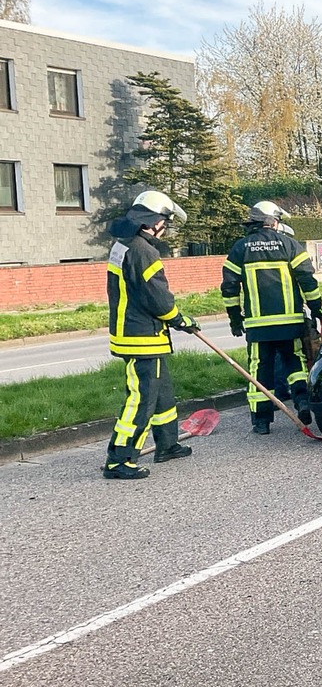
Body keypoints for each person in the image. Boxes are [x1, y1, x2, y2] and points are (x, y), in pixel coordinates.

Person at [102, 190, 198, 480]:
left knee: (162, 394)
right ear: (152, 221)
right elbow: (158, 298)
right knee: (141, 399)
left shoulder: (124, 245)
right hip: (141, 337)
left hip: (137, 334)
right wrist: (180, 320)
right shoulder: (144, 251)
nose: (164, 228)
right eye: (164, 222)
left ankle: (167, 444)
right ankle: (119, 458)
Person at [222, 201, 322, 434]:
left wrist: (235, 317)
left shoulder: (241, 248)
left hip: (258, 326)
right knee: (295, 363)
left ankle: (261, 421)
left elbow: (229, 286)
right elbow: (308, 281)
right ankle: (302, 402)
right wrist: (317, 309)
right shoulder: (290, 245)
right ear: (273, 221)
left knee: (259, 369)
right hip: (290, 323)